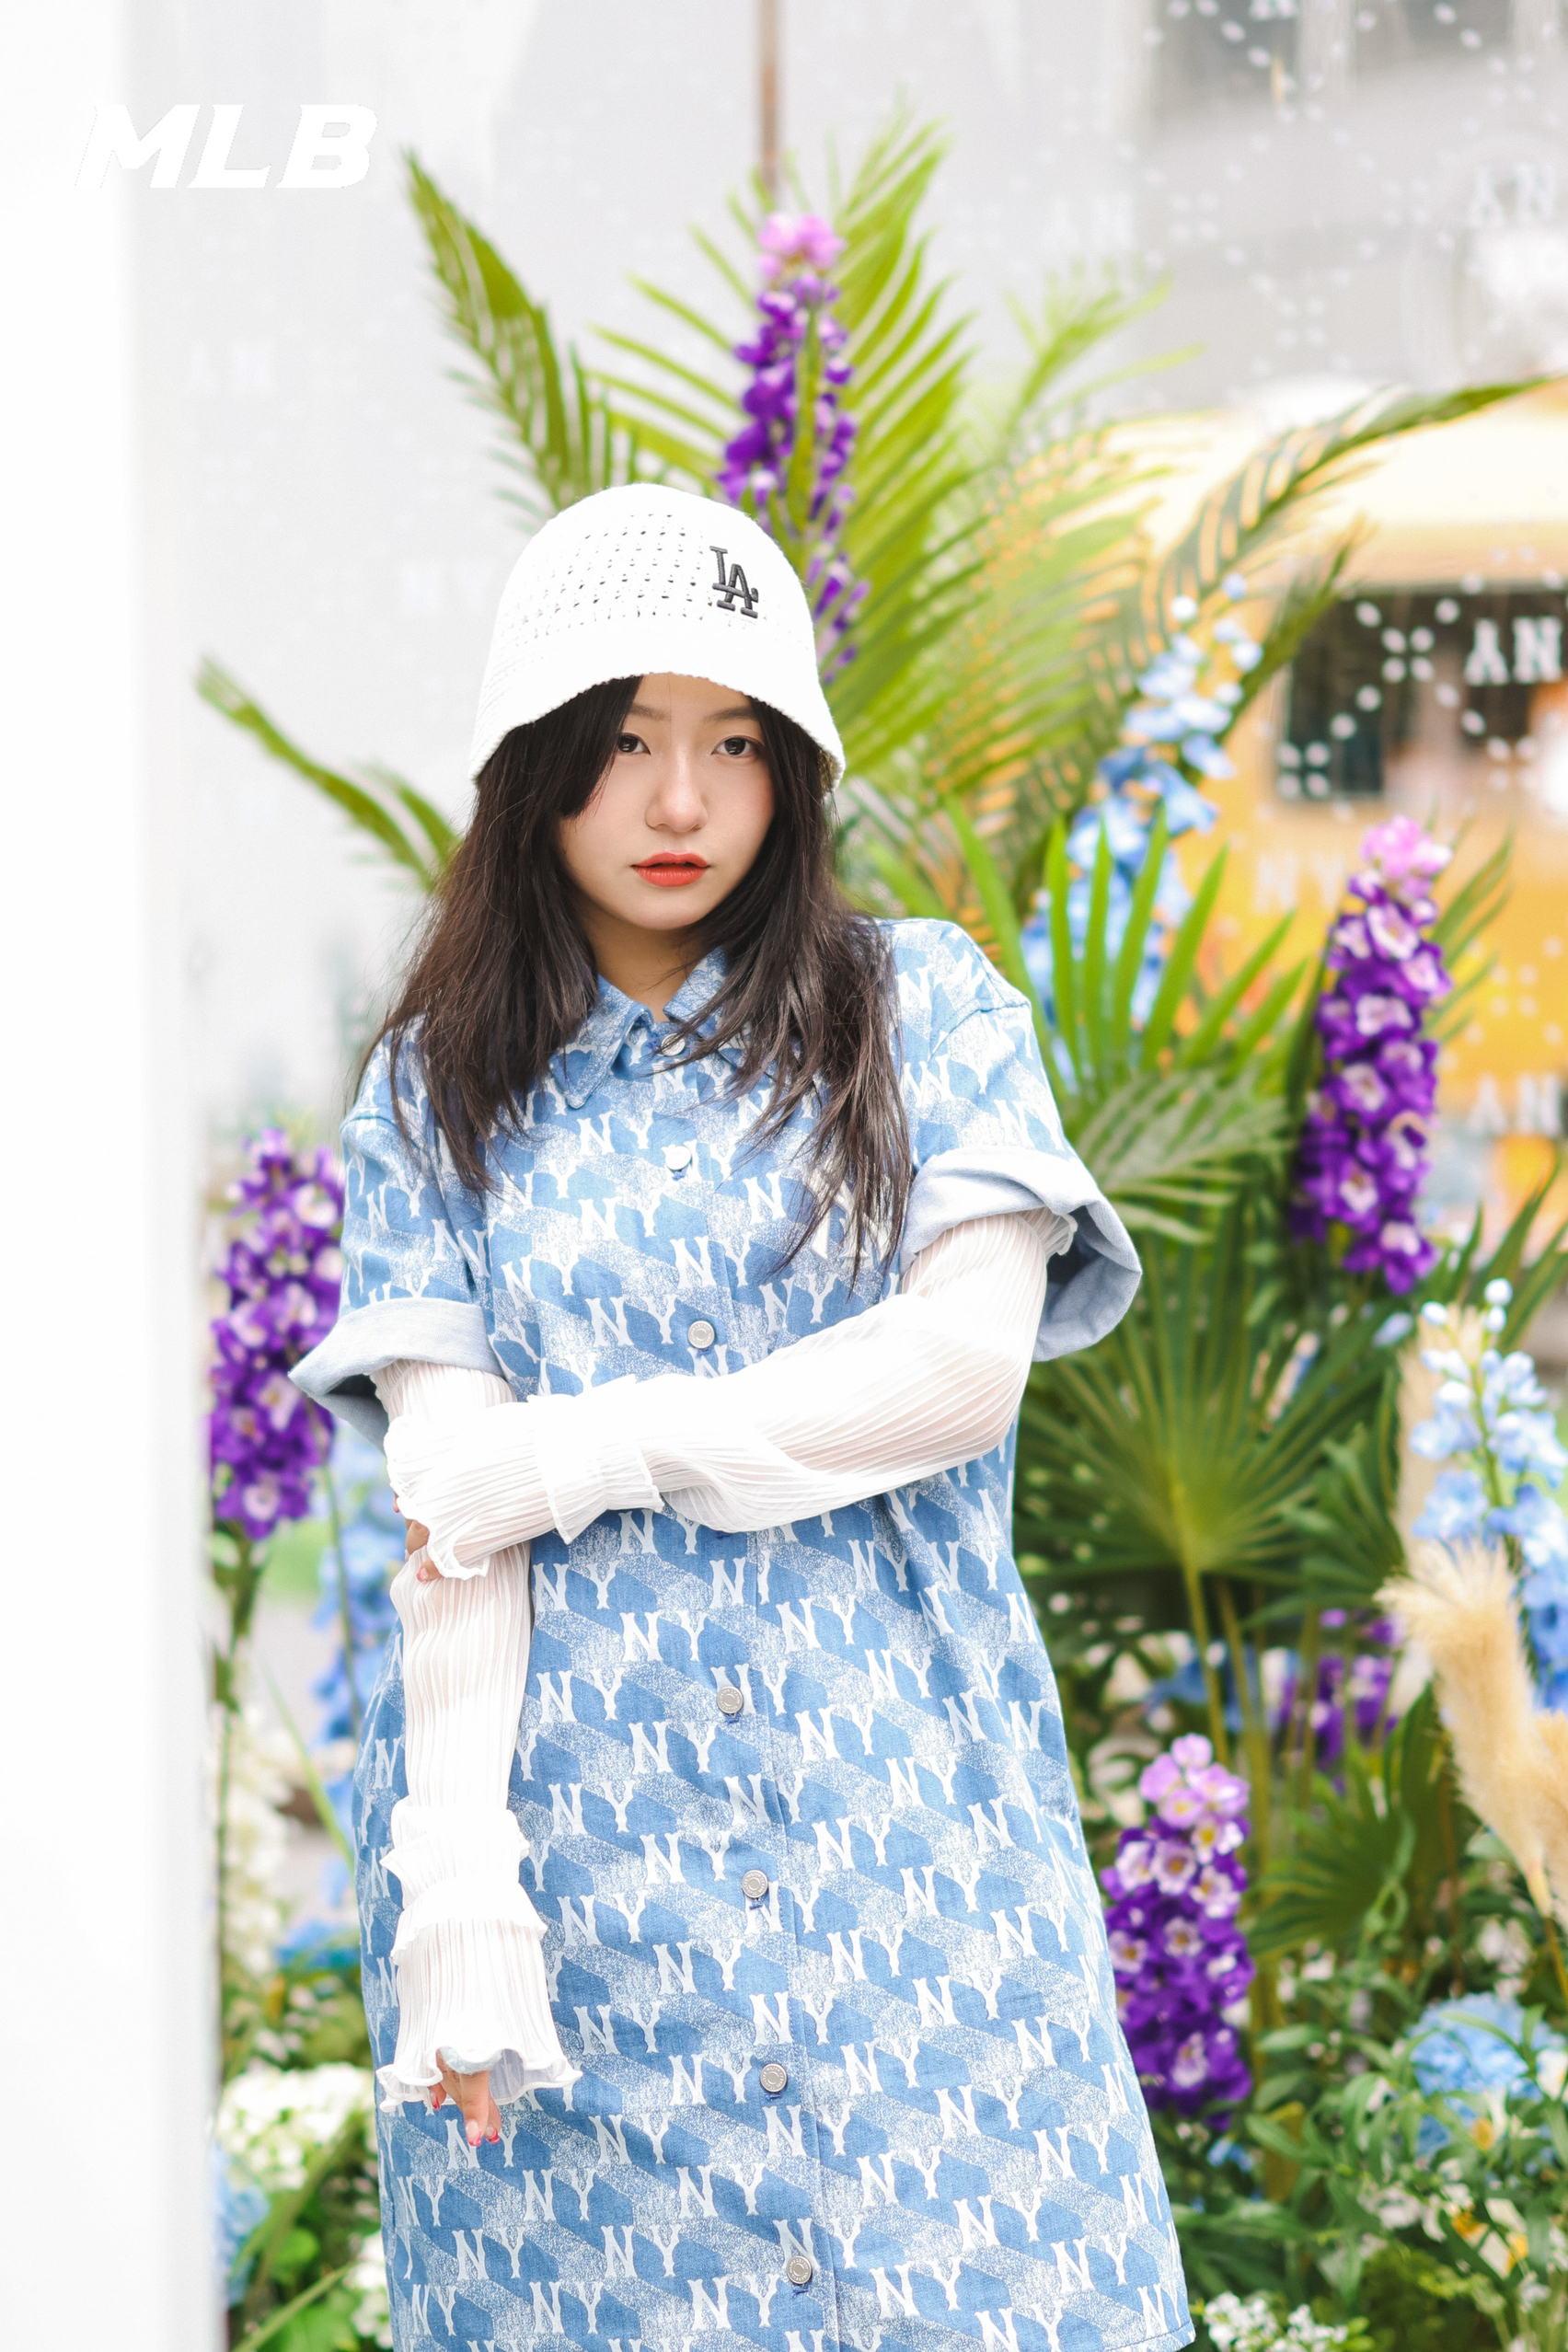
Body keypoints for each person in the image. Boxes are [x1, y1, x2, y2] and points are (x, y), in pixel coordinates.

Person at [294, 482, 1191, 2352]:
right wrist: (459, 1888)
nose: (681, 802)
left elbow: (957, 1374)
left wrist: (585, 1449)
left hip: (910, 1860)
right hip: (586, 1895)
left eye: (735, 743)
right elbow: (456, 1512)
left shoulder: (922, 1014)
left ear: (795, 768)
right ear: (534, 764)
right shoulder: (435, 1094)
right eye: (626, 742)